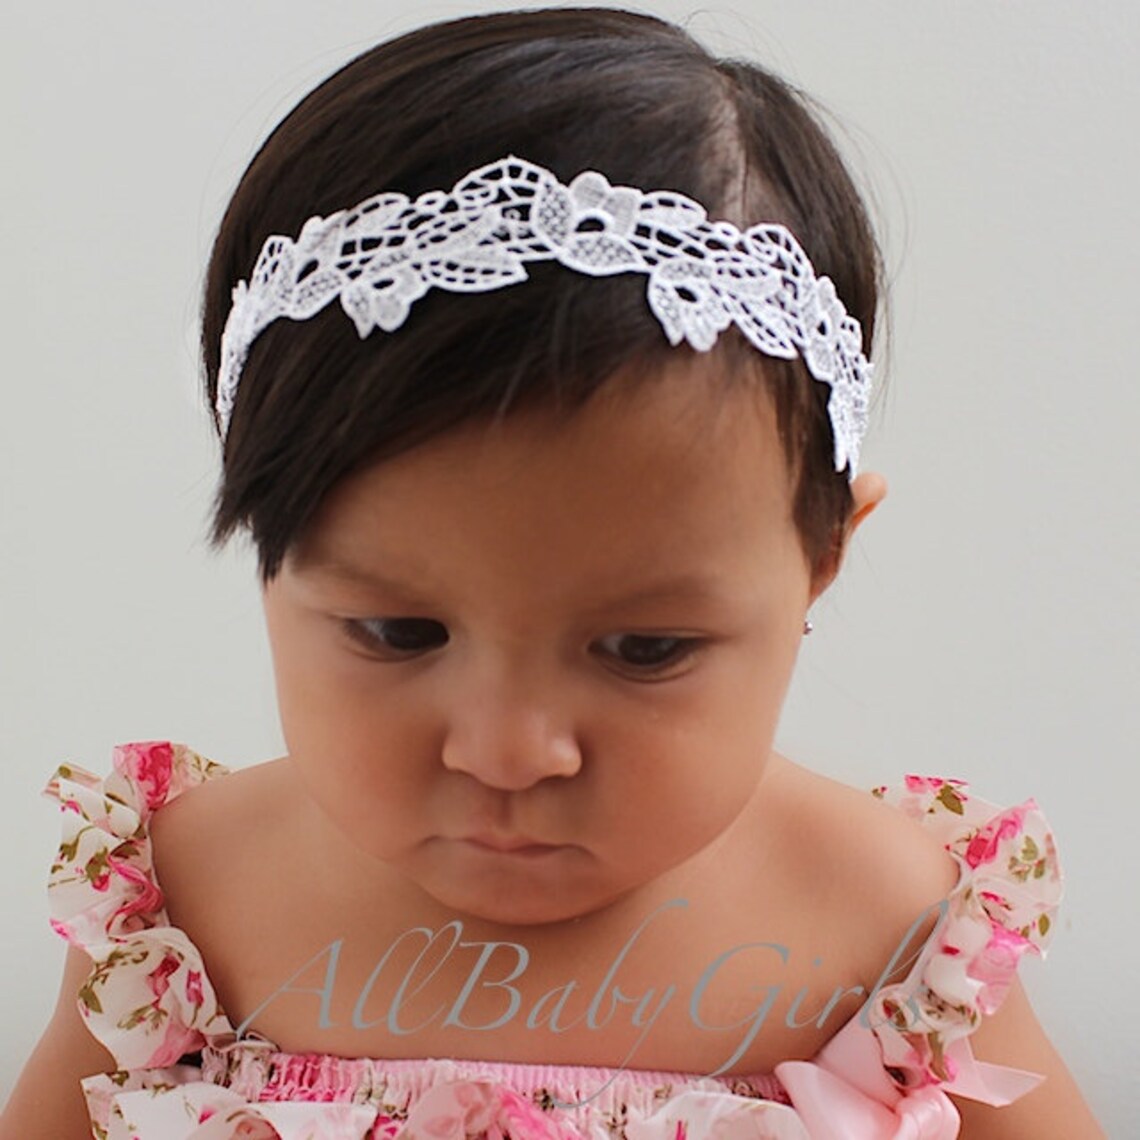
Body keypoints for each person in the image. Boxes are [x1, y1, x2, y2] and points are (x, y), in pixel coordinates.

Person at [0, 9, 1102, 1139]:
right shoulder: (184, 911)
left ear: (822, 558)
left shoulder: (889, 931)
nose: (510, 753)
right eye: (398, 632)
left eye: (643, 649)